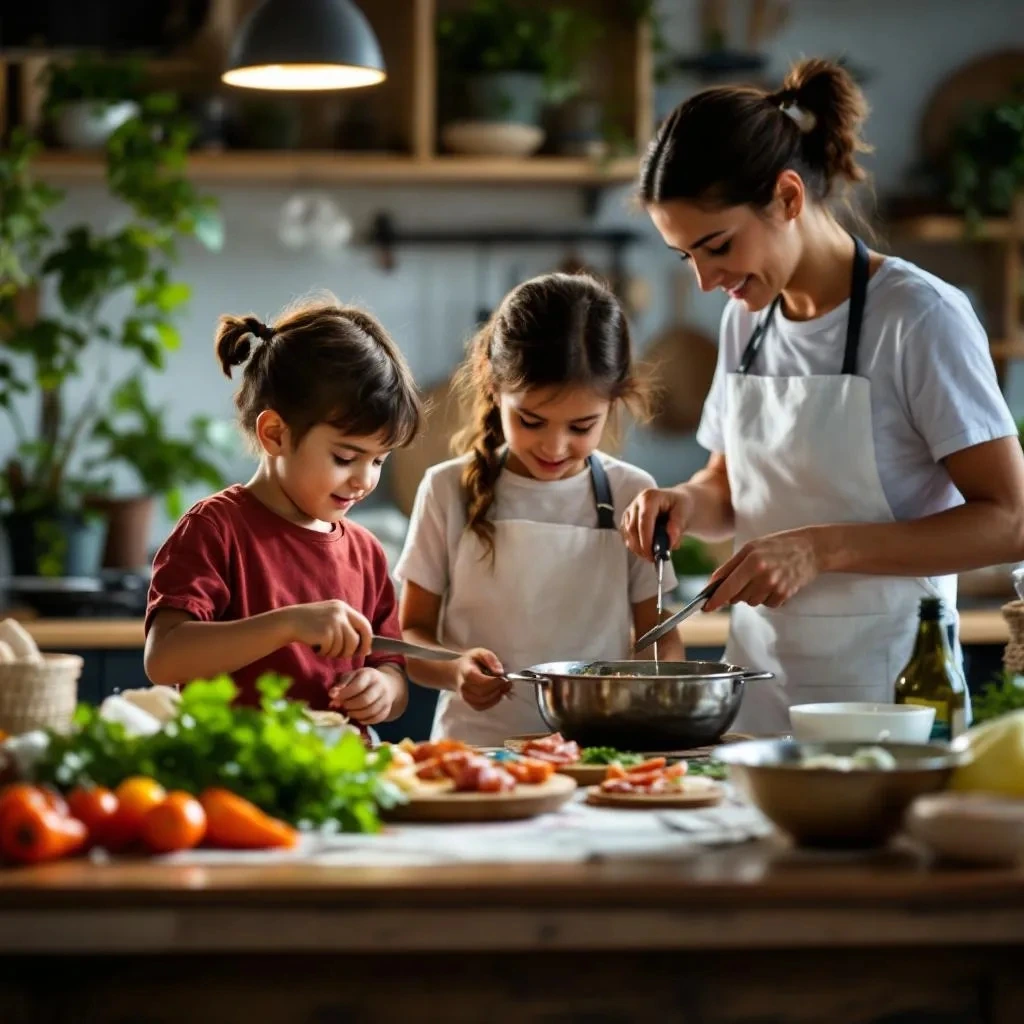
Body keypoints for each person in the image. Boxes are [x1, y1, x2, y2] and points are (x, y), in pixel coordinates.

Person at [621, 57, 1024, 735]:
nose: (703, 280)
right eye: (685, 256)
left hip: (892, 705)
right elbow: (731, 487)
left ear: (787, 197)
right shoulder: (746, 317)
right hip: (756, 702)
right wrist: (686, 503)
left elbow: (1010, 518)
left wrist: (820, 549)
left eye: (716, 246)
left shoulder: (919, 317)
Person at [396, 272, 684, 746]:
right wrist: (455, 669)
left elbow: (659, 635)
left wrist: (660, 687)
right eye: (530, 420)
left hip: (600, 750)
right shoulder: (446, 489)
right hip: (474, 751)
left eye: (581, 426)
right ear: (492, 385)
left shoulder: (633, 491)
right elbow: (412, 635)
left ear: (615, 402)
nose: (555, 446)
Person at [144, 294, 422, 728]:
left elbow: (393, 668)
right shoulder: (215, 529)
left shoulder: (366, 553)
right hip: (236, 780)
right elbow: (164, 659)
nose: (365, 480)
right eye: (346, 457)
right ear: (275, 434)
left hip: (341, 776)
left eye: (379, 461)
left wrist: (383, 689)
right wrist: (288, 625)